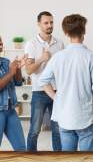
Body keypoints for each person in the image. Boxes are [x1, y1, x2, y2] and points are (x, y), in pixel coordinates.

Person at [39, 14, 93, 151]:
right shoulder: (91, 57)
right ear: (84, 31)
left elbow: (43, 81)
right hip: (86, 119)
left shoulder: (58, 57)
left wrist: (56, 97)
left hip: (65, 118)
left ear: (66, 33)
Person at [25, 11, 64, 152]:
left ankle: (58, 157)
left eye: (51, 22)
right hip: (39, 92)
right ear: (39, 24)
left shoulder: (59, 44)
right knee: (35, 130)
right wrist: (42, 59)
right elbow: (28, 70)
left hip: (57, 91)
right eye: (46, 23)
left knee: (58, 130)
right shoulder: (31, 44)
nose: (49, 25)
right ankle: (31, 156)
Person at [0, 27, 28, 151]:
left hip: (10, 110)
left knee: (21, 148)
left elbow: (18, 82)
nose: (1, 43)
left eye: (1, 40)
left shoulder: (5, 62)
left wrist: (18, 68)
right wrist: (11, 73)